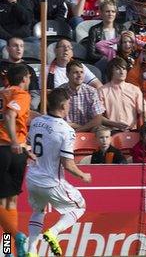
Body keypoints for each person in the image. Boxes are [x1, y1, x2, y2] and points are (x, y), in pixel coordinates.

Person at [25, 88, 92, 257]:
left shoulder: (35, 122)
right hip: (51, 182)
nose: (69, 106)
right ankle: (53, 232)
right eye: (68, 103)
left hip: (33, 178)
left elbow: (28, 146)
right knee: (79, 207)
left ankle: (31, 251)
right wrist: (83, 175)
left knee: (38, 211)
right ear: (63, 106)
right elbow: (68, 164)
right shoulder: (66, 131)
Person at [0, 64, 30, 256]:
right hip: (12, 149)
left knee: (7, 203)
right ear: (24, 78)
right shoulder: (21, 95)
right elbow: (10, 114)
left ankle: (8, 248)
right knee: (10, 203)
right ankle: (15, 239)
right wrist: (14, 140)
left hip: (6, 151)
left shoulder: (2, 93)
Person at [98, 58, 146, 132]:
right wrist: (114, 124)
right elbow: (97, 117)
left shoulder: (135, 89)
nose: (122, 72)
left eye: (124, 69)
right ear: (111, 71)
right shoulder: (102, 91)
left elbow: (143, 112)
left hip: (132, 131)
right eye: (118, 69)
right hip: (110, 132)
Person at [56, 60, 105, 132]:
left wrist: (78, 130)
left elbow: (98, 119)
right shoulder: (59, 92)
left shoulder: (91, 92)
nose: (79, 75)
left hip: (87, 132)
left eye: (81, 72)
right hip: (64, 132)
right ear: (67, 75)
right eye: (75, 72)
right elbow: (55, 118)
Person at [0, 37, 39, 109]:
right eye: (15, 46)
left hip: (25, 108)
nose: (19, 49)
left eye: (21, 46)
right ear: (7, 49)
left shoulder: (29, 69)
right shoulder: (1, 68)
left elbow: (35, 94)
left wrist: (26, 108)